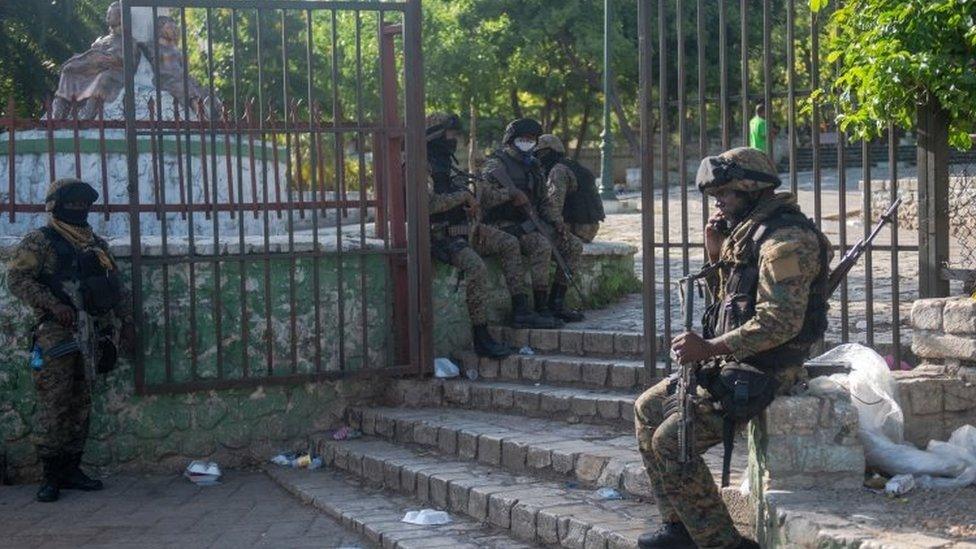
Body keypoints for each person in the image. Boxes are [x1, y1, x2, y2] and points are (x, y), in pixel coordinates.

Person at [633, 147, 831, 549]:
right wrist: (714, 251)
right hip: (735, 361)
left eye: (726, 192)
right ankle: (681, 526)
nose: (718, 201)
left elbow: (779, 323)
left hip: (770, 369)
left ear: (752, 189)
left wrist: (708, 348)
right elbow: (731, 304)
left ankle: (723, 543)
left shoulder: (786, 240)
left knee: (672, 440)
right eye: (716, 193)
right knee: (646, 409)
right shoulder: (747, 232)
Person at [7, 178, 135, 502]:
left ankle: (71, 469)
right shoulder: (41, 241)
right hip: (56, 333)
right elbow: (17, 279)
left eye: (83, 203)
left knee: (81, 402)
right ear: (56, 205)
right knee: (55, 403)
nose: (79, 208)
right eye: (73, 202)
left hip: (92, 332)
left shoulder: (96, 245)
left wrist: (127, 322)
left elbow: (115, 286)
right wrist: (54, 305)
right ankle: (50, 475)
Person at [425, 113, 558, 358]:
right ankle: (481, 336)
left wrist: (469, 199)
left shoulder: (445, 161)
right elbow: (428, 204)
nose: (454, 140)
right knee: (477, 268)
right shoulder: (424, 165)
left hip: (467, 229)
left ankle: (521, 307)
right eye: (450, 135)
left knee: (508, 243)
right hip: (440, 236)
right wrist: (465, 197)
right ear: (437, 135)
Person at [478, 118, 562, 326]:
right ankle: (520, 309)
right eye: (523, 139)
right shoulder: (494, 164)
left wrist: (556, 220)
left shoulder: (533, 166)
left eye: (532, 139)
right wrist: (510, 194)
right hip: (498, 225)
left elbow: (543, 200)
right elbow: (483, 198)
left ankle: (542, 307)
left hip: (524, 225)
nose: (528, 142)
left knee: (543, 244)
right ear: (512, 139)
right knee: (512, 245)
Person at [534, 134, 605, 322]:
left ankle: (553, 304)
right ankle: (556, 301)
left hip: (575, 227)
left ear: (548, 152)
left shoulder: (558, 170)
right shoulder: (578, 167)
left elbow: (554, 205)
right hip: (590, 227)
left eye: (540, 153)